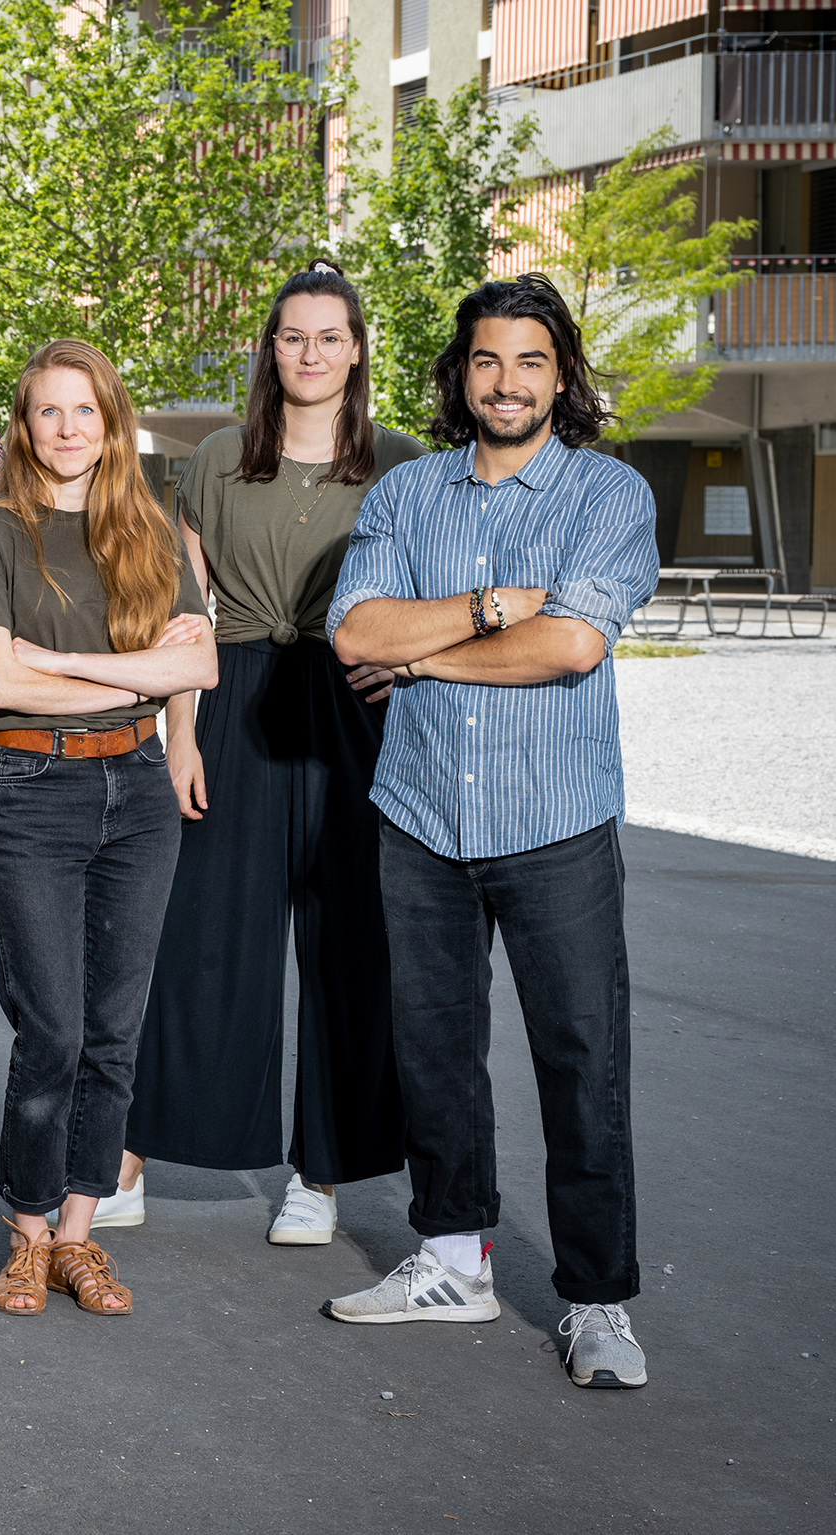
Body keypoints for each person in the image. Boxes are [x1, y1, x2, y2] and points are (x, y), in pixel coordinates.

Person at [324, 274, 660, 1390]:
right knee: (432, 1051)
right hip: (418, 816)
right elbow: (354, 628)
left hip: (552, 820)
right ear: (457, 375)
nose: (504, 381)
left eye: (527, 360)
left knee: (579, 1056)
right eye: (484, 360)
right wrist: (487, 606)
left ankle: (596, 1297)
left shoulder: (605, 497)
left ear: (559, 375)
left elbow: (569, 647)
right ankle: (452, 1255)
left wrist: (417, 656)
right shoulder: (406, 492)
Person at [117, 262, 427, 1243]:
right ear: (268, 348)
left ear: (356, 348)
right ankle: (132, 1155)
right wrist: (179, 734)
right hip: (236, 693)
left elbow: (443, 590)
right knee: (198, 938)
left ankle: (319, 1176)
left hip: (352, 709)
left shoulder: (401, 462)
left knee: (346, 946)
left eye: (328, 336)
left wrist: (411, 665)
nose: (309, 353)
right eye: (291, 336)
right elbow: (181, 613)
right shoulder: (214, 459)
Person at [0, 339, 216, 1318]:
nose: (65, 429)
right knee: (50, 1027)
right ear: (24, 425)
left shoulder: (147, 528)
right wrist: (132, 666)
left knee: (112, 1031)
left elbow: (198, 671)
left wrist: (66, 659)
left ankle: (75, 1238)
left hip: (136, 793)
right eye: (46, 412)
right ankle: (23, 1233)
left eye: (82, 412)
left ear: (111, 423)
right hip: (30, 789)